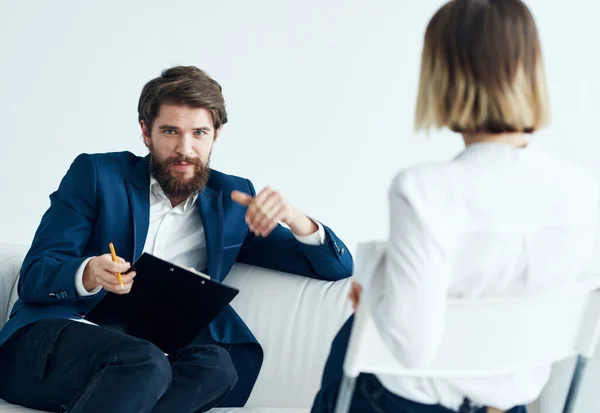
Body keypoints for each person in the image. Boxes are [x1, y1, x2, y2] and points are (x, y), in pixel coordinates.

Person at [0, 65, 353, 413]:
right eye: (170, 131)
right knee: (145, 361)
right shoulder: (97, 175)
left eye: (199, 133)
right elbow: (35, 275)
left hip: (146, 361)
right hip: (50, 346)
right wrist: (89, 273)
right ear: (146, 132)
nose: (185, 149)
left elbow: (335, 266)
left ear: (217, 134)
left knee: (217, 367)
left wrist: (296, 218)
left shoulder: (231, 200)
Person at [311, 1, 598, 412]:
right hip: (509, 405)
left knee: (354, 334)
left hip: (408, 404)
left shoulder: (424, 191)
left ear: (444, 78)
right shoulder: (583, 191)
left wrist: (375, 291)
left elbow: (412, 347)